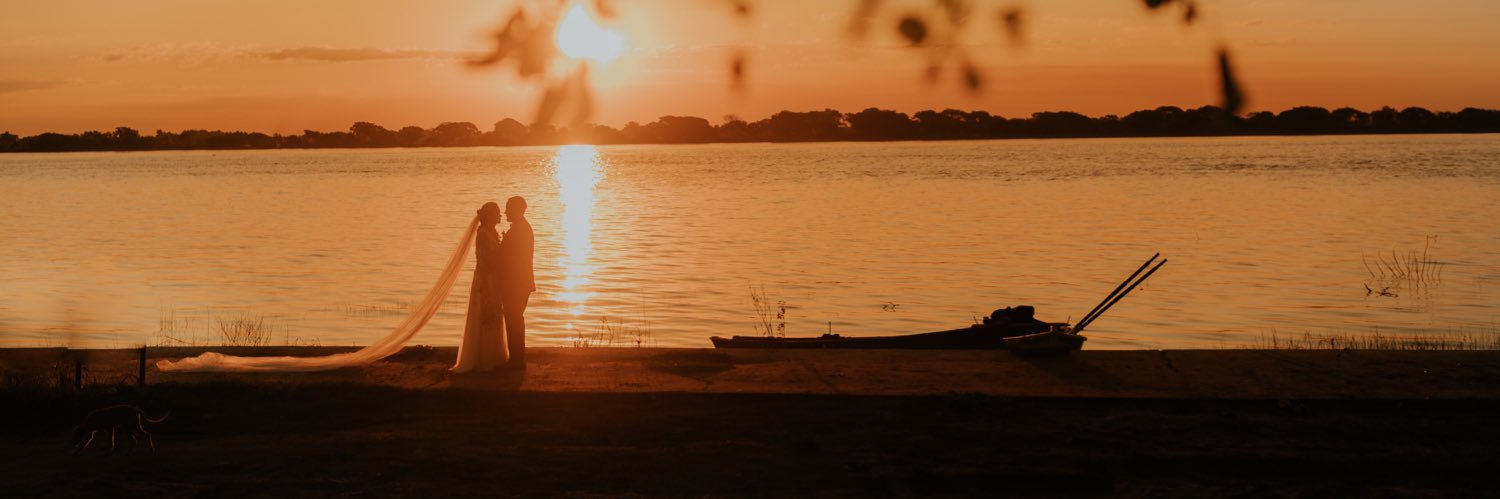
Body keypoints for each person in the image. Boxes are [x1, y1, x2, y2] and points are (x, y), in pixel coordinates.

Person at [451, 202, 508, 373]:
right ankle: (484, 358)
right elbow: (485, 261)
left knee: (495, 315)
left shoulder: (492, 232)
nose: (500, 216)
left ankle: (495, 356)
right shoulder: (483, 234)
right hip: (485, 279)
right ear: (489, 215)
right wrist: (503, 255)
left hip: (493, 278)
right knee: (486, 315)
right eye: (497, 213)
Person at [498, 196, 536, 363]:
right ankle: (516, 358)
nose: (505, 211)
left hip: (516, 284)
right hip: (518, 283)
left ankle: (517, 360)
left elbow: (514, 260)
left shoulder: (521, 230)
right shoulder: (520, 228)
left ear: (517, 209)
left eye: (508, 208)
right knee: (513, 319)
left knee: (514, 319)